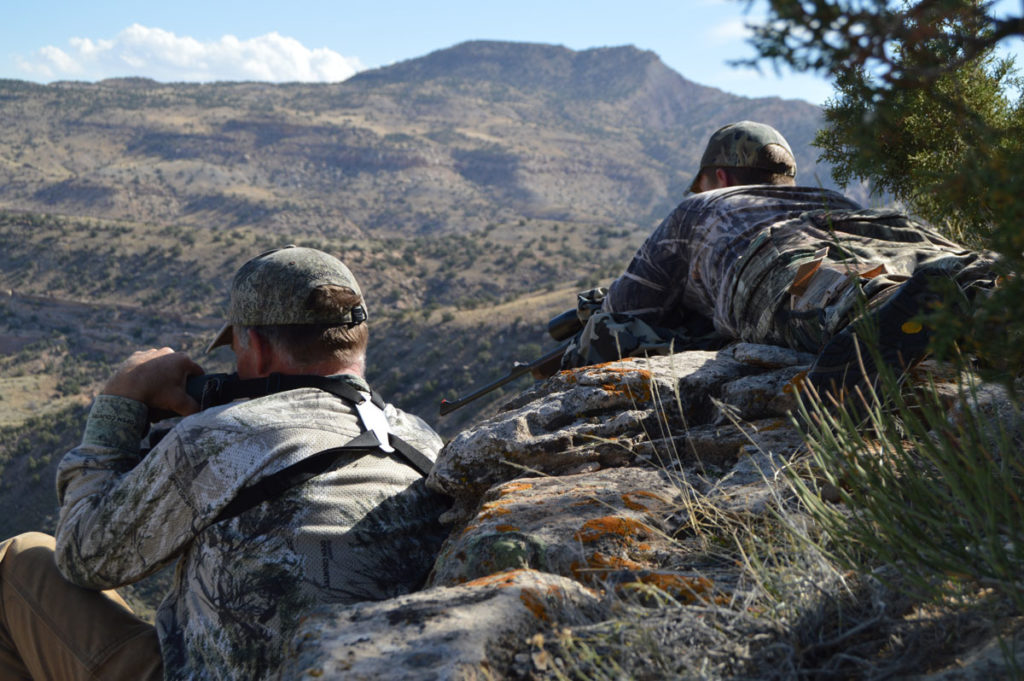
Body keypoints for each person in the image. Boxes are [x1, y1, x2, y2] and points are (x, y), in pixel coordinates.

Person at [0, 246, 450, 680]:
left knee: (18, 561)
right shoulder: (424, 442)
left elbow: (84, 556)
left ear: (255, 345)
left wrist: (118, 405)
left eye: (235, 351)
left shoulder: (220, 437)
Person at [564, 121, 1001, 401]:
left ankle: (885, 307)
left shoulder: (700, 207)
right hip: (880, 226)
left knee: (836, 290)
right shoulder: (828, 195)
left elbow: (624, 314)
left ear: (719, 176)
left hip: (770, 253)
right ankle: (994, 288)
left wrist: (578, 340)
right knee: (956, 269)